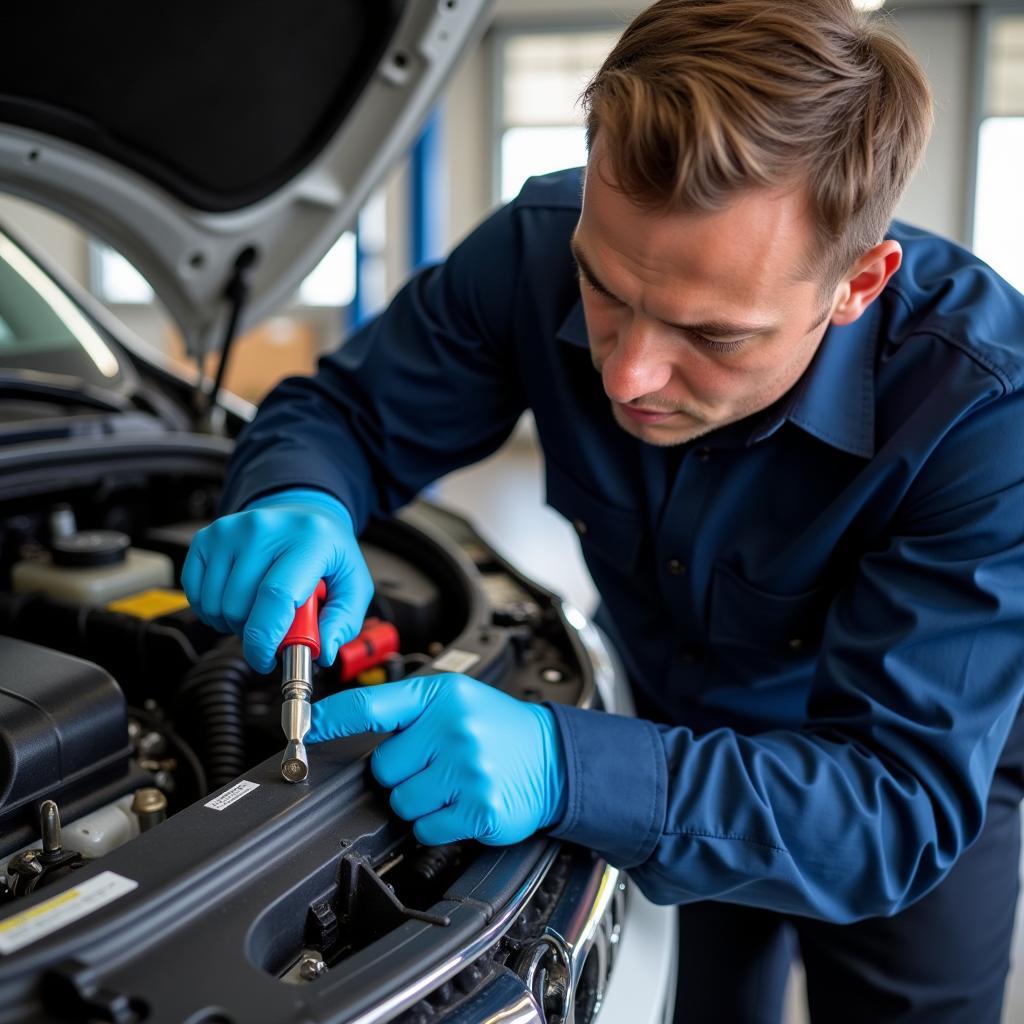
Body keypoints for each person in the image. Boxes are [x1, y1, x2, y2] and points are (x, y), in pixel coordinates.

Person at [181, 1, 1024, 1020]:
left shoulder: (983, 405)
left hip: (897, 783)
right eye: (605, 288)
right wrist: (300, 493)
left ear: (856, 284)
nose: (628, 374)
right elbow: (347, 412)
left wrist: (565, 763)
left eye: (712, 335)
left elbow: (892, 808)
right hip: (674, 730)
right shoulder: (532, 247)